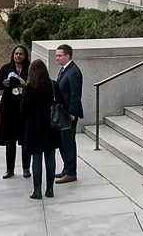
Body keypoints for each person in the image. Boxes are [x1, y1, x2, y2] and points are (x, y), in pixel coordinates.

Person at [20, 60, 62, 199]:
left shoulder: (28, 88)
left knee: (36, 158)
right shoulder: (53, 85)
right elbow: (61, 102)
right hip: (51, 125)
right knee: (50, 157)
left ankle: (37, 190)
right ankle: (50, 189)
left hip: (33, 126)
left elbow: (23, 109)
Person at [0, 45, 31, 179]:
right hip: (9, 109)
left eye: (21, 54)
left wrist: (26, 85)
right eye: (16, 53)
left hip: (24, 109)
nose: (18, 56)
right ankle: (10, 169)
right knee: (10, 141)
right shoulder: (6, 68)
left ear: (25, 55)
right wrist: (4, 83)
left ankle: (26, 168)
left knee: (25, 140)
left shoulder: (30, 68)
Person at [54, 43, 84, 184]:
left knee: (69, 142)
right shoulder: (64, 70)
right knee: (63, 142)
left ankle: (71, 172)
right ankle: (66, 168)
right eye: (56, 55)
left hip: (69, 114)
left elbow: (75, 94)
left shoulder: (74, 72)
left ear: (68, 56)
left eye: (59, 55)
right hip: (62, 112)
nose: (57, 58)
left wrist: (72, 113)